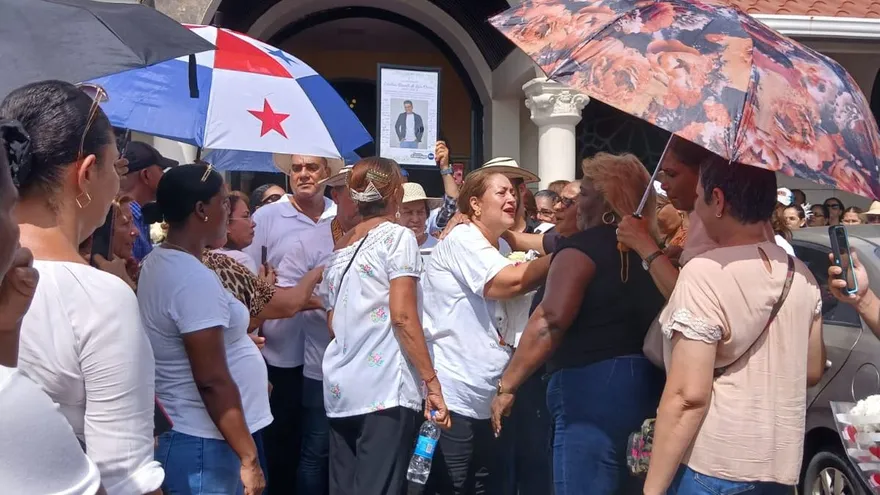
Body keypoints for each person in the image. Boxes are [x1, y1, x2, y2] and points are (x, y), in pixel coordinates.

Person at [2, 80, 164, 495]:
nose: (116, 187)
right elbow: (126, 477)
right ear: (87, 171)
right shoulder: (100, 297)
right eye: (114, 167)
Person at [643, 157, 825, 495]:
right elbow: (811, 369)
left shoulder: (705, 273)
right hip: (779, 468)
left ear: (719, 200)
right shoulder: (801, 273)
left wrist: (651, 489)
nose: (695, 207)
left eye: (699, 198)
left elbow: (687, 396)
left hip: (712, 464)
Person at [491, 153, 665, 495]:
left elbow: (550, 320)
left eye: (582, 194)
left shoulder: (581, 250)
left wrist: (508, 385)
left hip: (590, 388)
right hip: (645, 385)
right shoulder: (651, 253)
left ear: (606, 204)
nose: (568, 206)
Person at [320, 157, 450, 495]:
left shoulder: (340, 246)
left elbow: (333, 321)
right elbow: (403, 316)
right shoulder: (398, 238)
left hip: (341, 386)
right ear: (395, 192)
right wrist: (431, 383)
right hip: (383, 388)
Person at [138, 164, 270, 495]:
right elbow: (211, 380)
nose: (229, 210)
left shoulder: (167, 260)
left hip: (196, 440)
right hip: (202, 446)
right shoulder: (189, 278)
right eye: (223, 202)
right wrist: (249, 458)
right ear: (201, 210)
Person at [421, 167, 552, 494]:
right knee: (453, 486)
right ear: (475, 205)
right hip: (456, 394)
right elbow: (509, 283)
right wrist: (569, 252)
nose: (512, 198)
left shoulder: (501, 246)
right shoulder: (463, 238)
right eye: (502, 192)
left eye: (514, 192)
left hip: (490, 395)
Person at [0, 118, 108, 494]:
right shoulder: (16, 408)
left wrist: (8, 329)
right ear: (87, 172)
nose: (19, 231)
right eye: (10, 208)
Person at [244, 154, 339, 493]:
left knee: (319, 444)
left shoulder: (338, 215)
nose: (303, 174)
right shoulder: (267, 216)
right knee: (281, 440)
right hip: (278, 349)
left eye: (311, 167)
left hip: (325, 355)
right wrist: (250, 335)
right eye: (296, 168)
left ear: (327, 172)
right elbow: (249, 277)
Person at [275, 165, 361, 495]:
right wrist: (328, 300)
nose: (362, 201)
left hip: (368, 366)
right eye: (354, 195)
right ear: (336, 197)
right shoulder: (310, 242)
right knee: (317, 450)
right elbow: (282, 293)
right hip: (320, 365)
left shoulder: (381, 236)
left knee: (358, 452)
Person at [120, 141, 178, 261]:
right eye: (161, 169)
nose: (164, 176)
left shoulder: (139, 217)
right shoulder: (122, 219)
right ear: (146, 175)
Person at [398, 182, 443, 252]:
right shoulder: (386, 249)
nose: (415, 219)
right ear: (396, 214)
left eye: (420, 212)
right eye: (408, 212)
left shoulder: (438, 249)